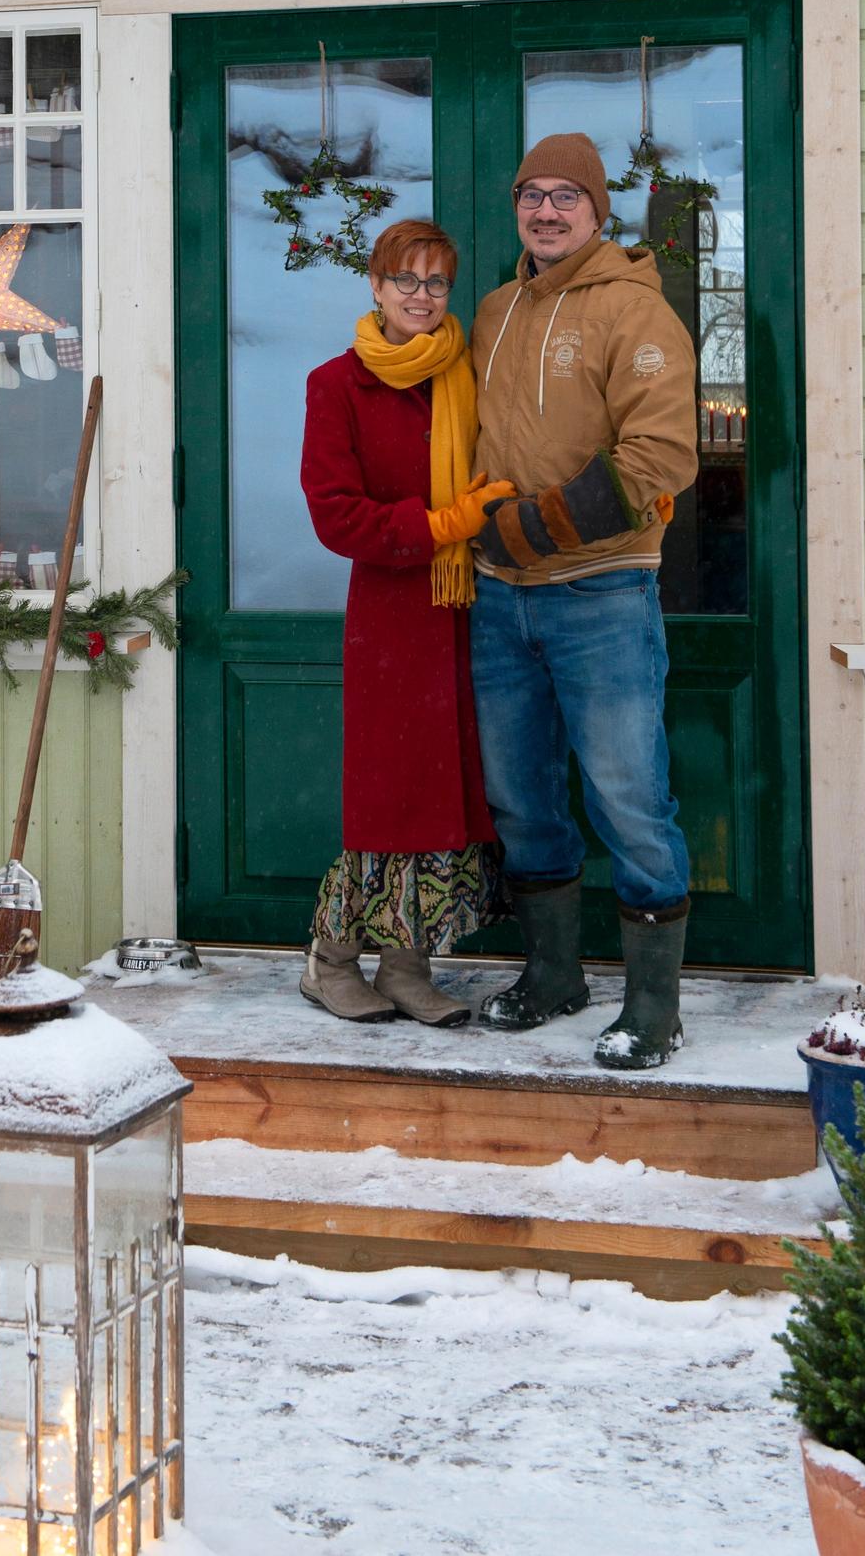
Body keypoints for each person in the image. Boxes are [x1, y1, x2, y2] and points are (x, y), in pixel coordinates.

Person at [469, 134, 699, 1069]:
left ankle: (653, 1005)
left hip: (601, 592)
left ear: (598, 211)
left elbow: (661, 457)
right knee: (520, 798)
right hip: (496, 602)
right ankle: (553, 974)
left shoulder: (637, 315)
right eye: (533, 194)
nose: (548, 210)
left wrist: (538, 528)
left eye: (568, 196)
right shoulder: (490, 310)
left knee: (628, 795)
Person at [299, 219, 515, 1026]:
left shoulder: (469, 371)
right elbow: (336, 516)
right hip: (393, 615)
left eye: (435, 283)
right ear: (374, 284)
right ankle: (328, 958)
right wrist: (444, 522)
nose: (421, 298)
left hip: (472, 608)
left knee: (450, 794)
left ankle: (406, 961)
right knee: (388, 797)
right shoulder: (337, 384)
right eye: (405, 280)